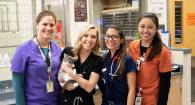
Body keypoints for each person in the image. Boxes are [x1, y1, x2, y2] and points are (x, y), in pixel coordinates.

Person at [11, 10, 61, 105]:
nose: (48, 28)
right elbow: (17, 85)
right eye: (44, 24)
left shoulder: (57, 48)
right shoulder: (22, 50)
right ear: (37, 25)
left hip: (55, 101)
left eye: (51, 25)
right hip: (33, 102)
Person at [128, 12, 172, 105]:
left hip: (152, 100)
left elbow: (165, 84)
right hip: (133, 97)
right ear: (138, 27)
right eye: (142, 26)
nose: (145, 30)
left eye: (150, 27)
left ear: (156, 29)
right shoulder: (133, 46)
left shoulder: (163, 52)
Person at [59, 25, 103, 105]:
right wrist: (64, 85)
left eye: (93, 37)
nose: (89, 39)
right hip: (66, 101)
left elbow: (89, 87)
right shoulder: (68, 52)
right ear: (80, 37)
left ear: (97, 41)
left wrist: (71, 74)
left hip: (85, 101)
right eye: (85, 35)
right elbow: (60, 75)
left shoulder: (97, 60)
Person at [98, 24, 137, 105]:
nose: (110, 39)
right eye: (107, 36)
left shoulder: (128, 60)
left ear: (121, 40)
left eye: (114, 37)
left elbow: (132, 89)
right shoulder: (103, 58)